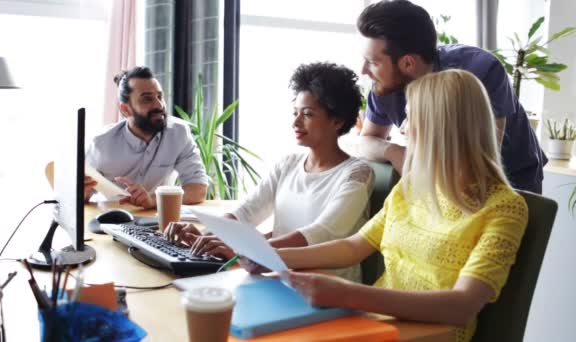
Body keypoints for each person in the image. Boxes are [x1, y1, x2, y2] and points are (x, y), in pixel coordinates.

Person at [243, 70, 528, 342]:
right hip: (373, 322)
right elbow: (353, 247)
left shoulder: (504, 209)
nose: (403, 128)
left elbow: (461, 306)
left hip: (429, 335)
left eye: (410, 117)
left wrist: (347, 294)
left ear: (440, 128)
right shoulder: (412, 186)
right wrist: (274, 257)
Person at [166, 62, 374, 282]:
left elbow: (319, 233)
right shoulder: (288, 164)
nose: (296, 122)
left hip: (328, 289)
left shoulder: (357, 174)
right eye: (295, 113)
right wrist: (207, 236)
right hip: (276, 278)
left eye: (308, 114)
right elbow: (245, 212)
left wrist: (245, 251)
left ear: (337, 120)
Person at [347, 0, 546, 193]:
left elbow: (485, 157)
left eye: (372, 62)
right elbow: (365, 141)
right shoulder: (384, 85)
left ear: (408, 63)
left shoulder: (480, 71)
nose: (363, 70)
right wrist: (395, 153)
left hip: (511, 179)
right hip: (444, 186)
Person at [85, 66, 208, 208]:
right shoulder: (101, 145)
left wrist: (153, 200)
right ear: (126, 109)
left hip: (161, 223)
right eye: (147, 99)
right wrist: (82, 193)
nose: (159, 104)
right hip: (113, 221)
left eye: (160, 96)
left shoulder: (178, 133)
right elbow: (81, 195)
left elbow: (198, 188)